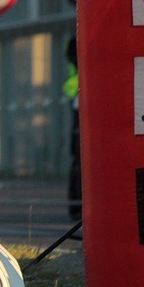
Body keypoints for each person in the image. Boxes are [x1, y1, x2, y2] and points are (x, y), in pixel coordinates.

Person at [64, 35, 82, 220]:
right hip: (80, 99)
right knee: (79, 158)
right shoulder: (75, 39)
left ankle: (78, 206)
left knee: (80, 159)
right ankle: (77, 206)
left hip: (81, 99)